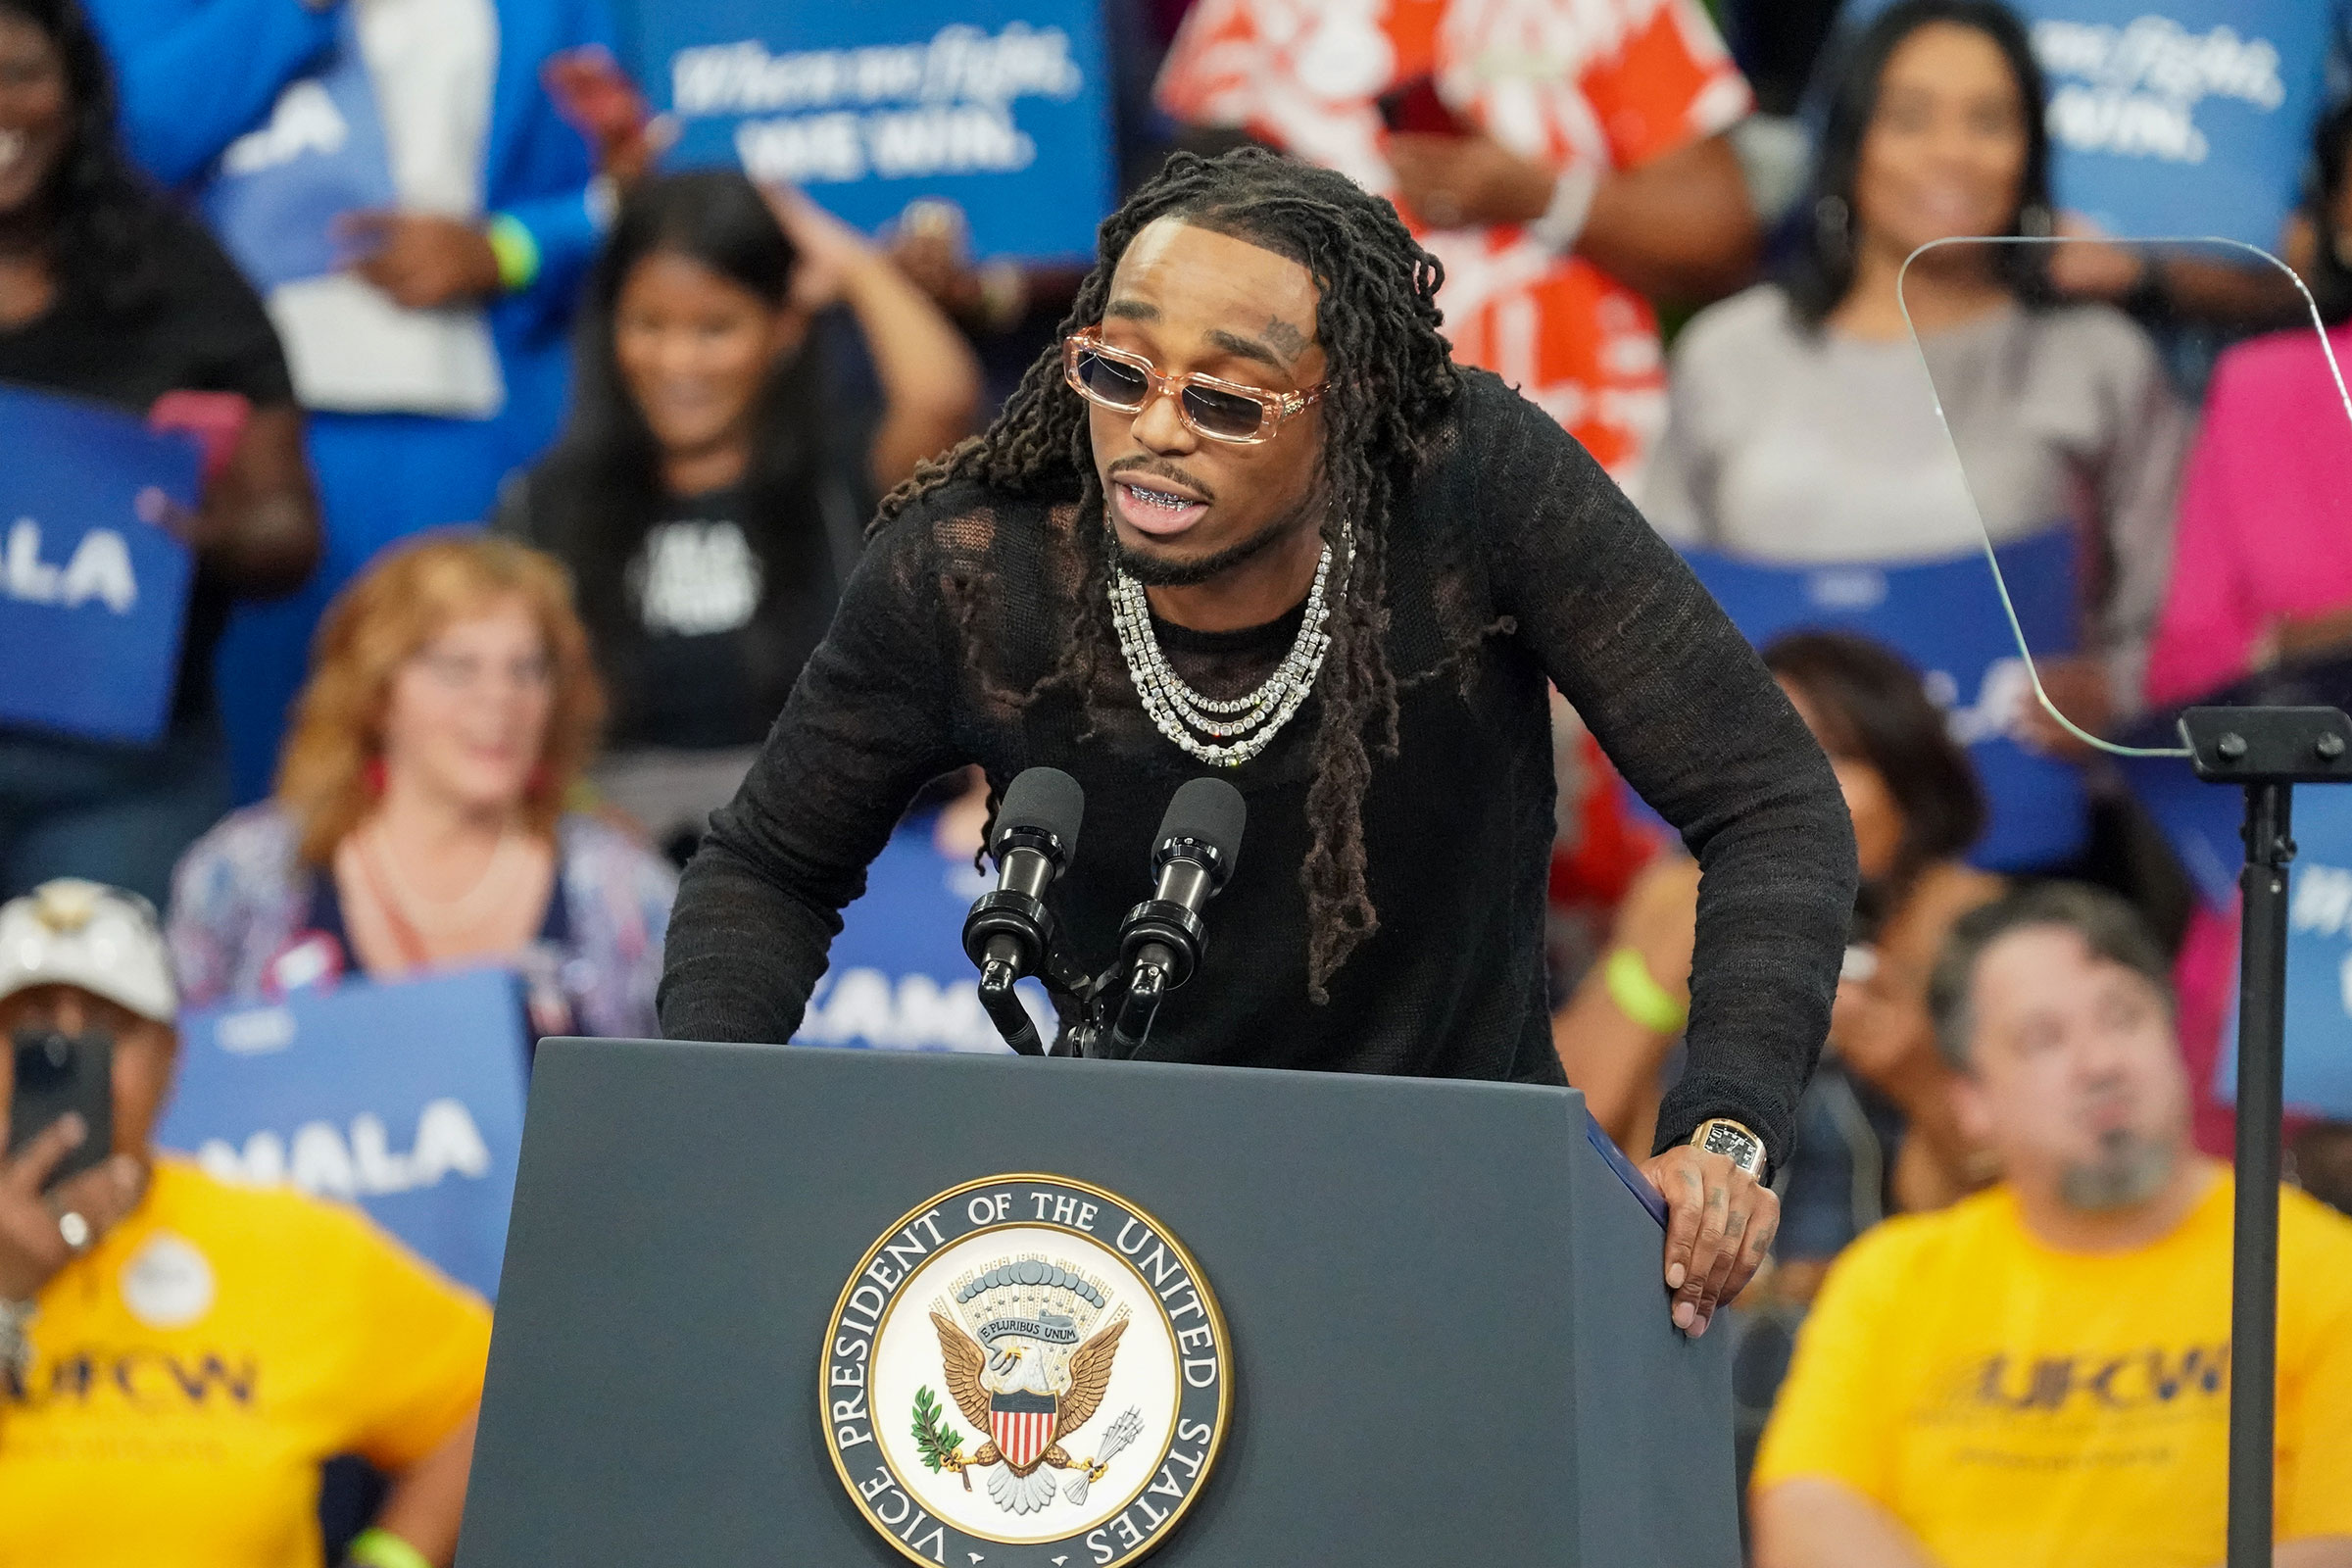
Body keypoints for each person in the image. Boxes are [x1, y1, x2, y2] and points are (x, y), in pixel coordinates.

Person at [659, 147, 1860, 1337]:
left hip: (1462, 1217)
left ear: (1347, 417)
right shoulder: (976, 569)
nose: (1154, 431)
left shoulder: (1470, 489)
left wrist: (1727, 1128)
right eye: (1119, 372)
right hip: (1117, 1242)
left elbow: (1766, 799)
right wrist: (712, 1119)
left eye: (1227, 399)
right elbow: (771, 866)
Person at [79, 0, 617, 803]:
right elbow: (107, 149)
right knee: (261, 773)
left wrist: (502, 251)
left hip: (460, 427)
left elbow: (616, 191)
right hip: (238, 443)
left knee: (472, 749)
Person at [1749, 883, 2352, 1568]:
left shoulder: (2323, 1270)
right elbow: (1804, 1517)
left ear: (2177, 1039)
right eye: (2044, 1039)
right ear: (1972, 1100)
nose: (2099, 1065)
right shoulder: (1893, 1277)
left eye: (2123, 1017)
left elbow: (2336, 1546)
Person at [1645, 0, 2185, 743]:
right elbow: (1650, 619)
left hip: (2029, 834)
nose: (1951, 152)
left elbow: (2173, 628)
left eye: (1989, 122)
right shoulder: (1729, 352)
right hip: (1765, 833)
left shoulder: (2099, 358)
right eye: (1911, 118)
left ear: (2030, 154)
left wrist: (2117, 696)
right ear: (1850, 141)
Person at [0, 878, 488, 1568]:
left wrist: (392, 1557)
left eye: (110, 1030)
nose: (73, 1059)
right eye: (30, 1030)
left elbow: (497, 1391)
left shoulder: (286, 1244)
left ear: (171, 1060)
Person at [498, 171, 981, 858]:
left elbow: (941, 398)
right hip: (620, 875)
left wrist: (851, 263)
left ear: (783, 329)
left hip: (838, 872)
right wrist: (586, 829)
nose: (677, 362)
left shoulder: (846, 482)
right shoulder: (540, 507)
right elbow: (504, 718)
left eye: (715, 328)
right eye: (647, 325)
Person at [1152, 0, 1760, 482]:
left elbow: (1723, 233)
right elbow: (1172, 227)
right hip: (1322, 474)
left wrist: (1545, 198)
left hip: (1576, 472)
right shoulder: (1254, 10)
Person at [0, 0, 320, 906]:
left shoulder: (177, 276)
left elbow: (287, 532)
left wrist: (210, 533)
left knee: (112, 1043)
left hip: (117, 780)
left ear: (75, 94)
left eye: (21, 72)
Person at [1558, 631, 2001, 1281]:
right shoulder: (1674, 899)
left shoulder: (1972, 925)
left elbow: (2037, 1205)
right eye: (1766, 761)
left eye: (1833, 756)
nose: (1792, 795)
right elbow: (1560, 1140)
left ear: (1906, 782)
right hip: (1696, 1321)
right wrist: (1658, 970)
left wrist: (1918, 1074)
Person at [168, 533, 674, 1039]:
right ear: (378, 694)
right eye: (458, 668)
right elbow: (178, 1093)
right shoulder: (240, 879)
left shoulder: (626, 890)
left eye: (526, 669)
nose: (500, 699)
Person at [2145, 97, 2352, 711]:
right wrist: (2300, 643)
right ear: (2336, 221)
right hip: (2314, 782)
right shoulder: (2260, 387)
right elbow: (2183, 666)